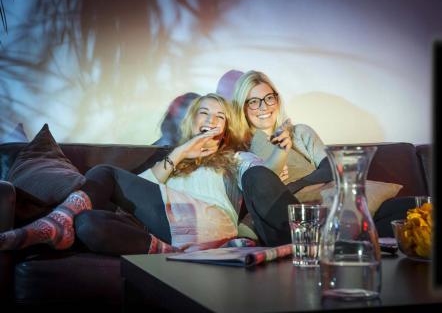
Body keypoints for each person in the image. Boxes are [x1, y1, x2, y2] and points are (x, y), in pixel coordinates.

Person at [0, 93, 298, 254]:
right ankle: (167, 251)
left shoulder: (236, 158)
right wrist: (181, 152)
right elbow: (130, 197)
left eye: (220, 116)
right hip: (166, 229)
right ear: (193, 121)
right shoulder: (171, 159)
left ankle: (53, 222)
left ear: (225, 128)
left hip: (211, 224)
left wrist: (282, 148)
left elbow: (265, 181)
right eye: (204, 113)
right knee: (89, 223)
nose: (212, 119)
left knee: (106, 172)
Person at [232, 70, 334, 201]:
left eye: (269, 98)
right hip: (284, 209)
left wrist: (293, 186)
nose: (264, 107)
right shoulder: (242, 154)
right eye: (254, 101)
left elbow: (331, 168)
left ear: (277, 100)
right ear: (243, 108)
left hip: (325, 196)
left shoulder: (300, 133)